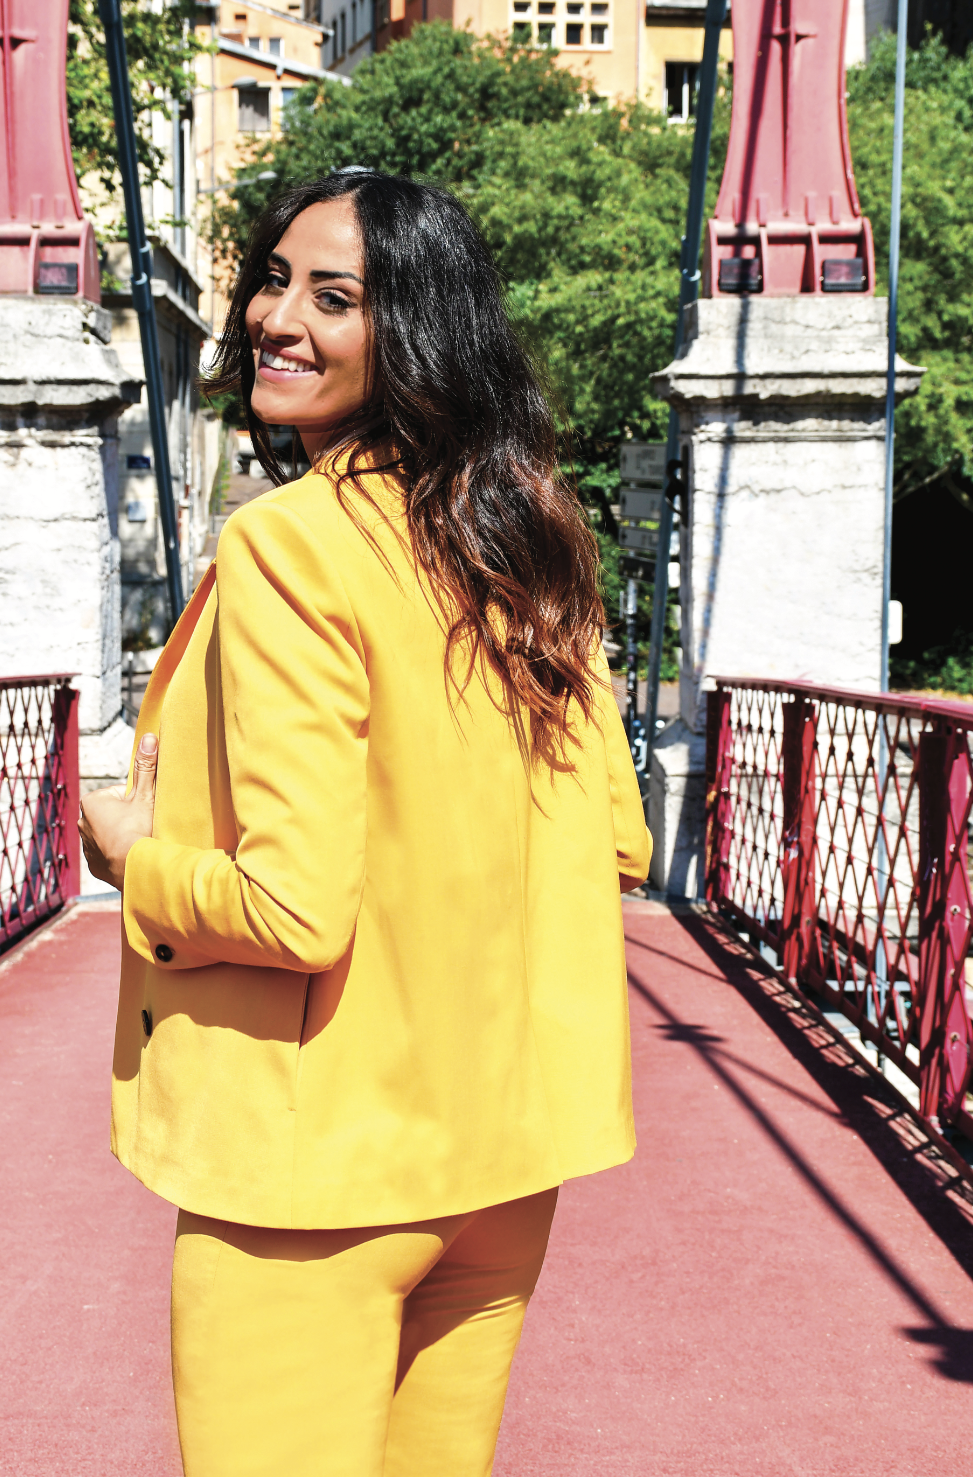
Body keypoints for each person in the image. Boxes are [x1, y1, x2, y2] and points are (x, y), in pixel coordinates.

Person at [79, 171, 651, 1477]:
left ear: (418, 332)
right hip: (500, 1165)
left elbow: (292, 910)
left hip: (316, 1178)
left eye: (334, 297)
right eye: (275, 280)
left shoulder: (291, 544)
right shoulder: (531, 539)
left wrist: (132, 860)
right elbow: (615, 843)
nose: (277, 318)